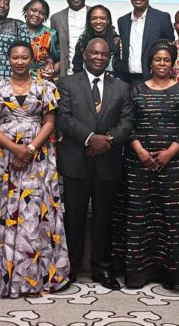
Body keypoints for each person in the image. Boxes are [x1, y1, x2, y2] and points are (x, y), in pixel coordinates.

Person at [0, 40, 70, 296]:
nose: (19, 61)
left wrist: (28, 150)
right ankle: (2, 274)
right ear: (8, 59)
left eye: (24, 57)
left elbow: (50, 122)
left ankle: (35, 275)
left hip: (37, 160)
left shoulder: (46, 86)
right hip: (4, 157)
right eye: (15, 57)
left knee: (34, 212)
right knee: (3, 211)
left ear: (32, 59)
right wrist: (14, 149)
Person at [124, 40, 179, 288]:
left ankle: (173, 275)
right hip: (140, 165)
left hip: (175, 165)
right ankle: (140, 273)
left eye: (166, 60)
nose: (162, 63)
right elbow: (127, 124)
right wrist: (140, 151)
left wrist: (170, 152)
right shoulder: (135, 89)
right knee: (142, 218)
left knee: (172, 219)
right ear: (150, 62)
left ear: (173, 64)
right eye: (158, 59)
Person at [57, 37, 134, 288]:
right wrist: (91, 139)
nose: (99, 57)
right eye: (94, 53)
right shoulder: (67, 83)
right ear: (85, 54)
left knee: (105, 218)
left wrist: (107, 140)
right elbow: (64, 119)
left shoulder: (121, 87)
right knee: (74, 218)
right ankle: (70, 268)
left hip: (108, 162)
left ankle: (102, 268)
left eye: (104, 54)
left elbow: (127, 122)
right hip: (76, 161)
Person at [116, 0, 174, 83]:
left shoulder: (161, 18)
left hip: (153, 80)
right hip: (126, 80)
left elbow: (170, 50)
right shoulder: (122, 21)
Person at [49, 0, 88, 77]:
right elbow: (54, 50)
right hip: (66, 76)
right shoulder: (56, 18)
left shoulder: (96, 15)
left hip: (92, 77)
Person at [71, 5, 124, 74]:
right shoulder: (82, 40)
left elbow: (120, 69)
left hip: (110, 82)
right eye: (94, 18)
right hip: (84, 82)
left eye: (102, 18)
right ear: (89, 21)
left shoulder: (116, 41)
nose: (98, 21)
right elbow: (77, 66)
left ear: (108, 20)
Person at [21, 0, 60, 80]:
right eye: (33, 10)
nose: (36, 15)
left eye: (41, 13)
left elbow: (58, 59)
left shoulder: (50, 34)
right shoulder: (15, 30)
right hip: (17, 80)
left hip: (41, 81)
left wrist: (52, 70)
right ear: (26, 10)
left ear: (45, 17)